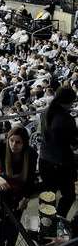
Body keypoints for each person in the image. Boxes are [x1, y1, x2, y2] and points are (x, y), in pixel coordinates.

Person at [0, 125, 38, 246]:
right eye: (12, 140)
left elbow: (30, 178)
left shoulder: (31, 154)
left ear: (24, 143)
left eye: (18, 142)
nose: (14, 145)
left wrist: (26, 198)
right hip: (3, 191)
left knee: (15, 227)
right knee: (2, 228)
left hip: (19, 194)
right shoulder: (2, 146)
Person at [39, 86, 78, 220]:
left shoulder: (45, 112)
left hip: (44, 161)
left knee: (48, 196)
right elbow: (73, 146)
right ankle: (58, 219)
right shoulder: (67, 119)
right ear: (69, 102)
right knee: (69, 196)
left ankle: (46, 224)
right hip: (62, 165)